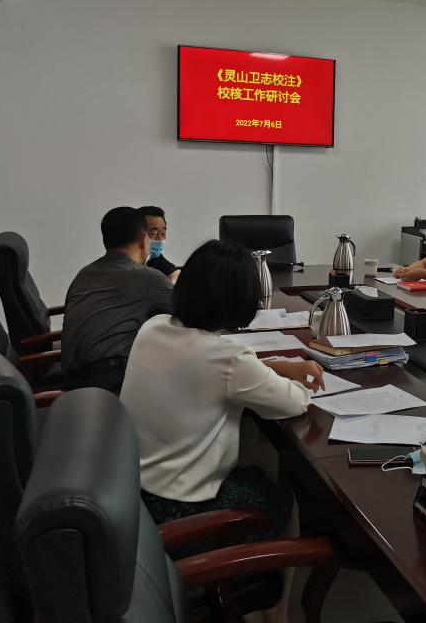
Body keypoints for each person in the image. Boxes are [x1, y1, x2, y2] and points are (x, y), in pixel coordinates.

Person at [119, 239, 324, 623]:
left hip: (134, 495)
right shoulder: (227, 360)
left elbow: (209, 367)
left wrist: (275, 365)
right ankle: (276, 615)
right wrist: (297, 380)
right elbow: (293, 402)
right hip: (182, 512)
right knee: (284, 499)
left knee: (253, 457)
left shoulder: (153, 327)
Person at [61, 206, 175, 393]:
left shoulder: (84, 274)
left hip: (72, 382)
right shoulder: (146, 277)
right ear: (144, 239)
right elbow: (191, 313)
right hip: (113, 381)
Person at [140, 205, 180, 283]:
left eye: (163, 233)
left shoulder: (153, 258)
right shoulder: (125, 263)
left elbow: (176, 274)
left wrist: (170, 284)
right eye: (154, 233)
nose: (160, 239)